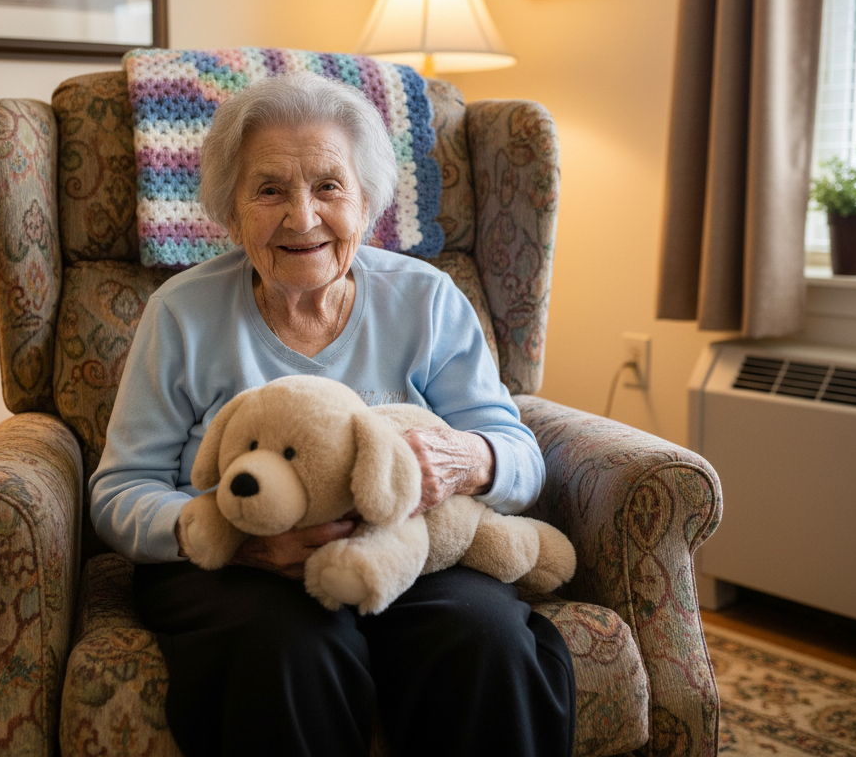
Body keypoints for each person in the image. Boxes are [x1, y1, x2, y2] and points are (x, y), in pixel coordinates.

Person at [89, 73, 575, 757]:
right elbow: (118, 493)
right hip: (242, 573)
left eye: (327, 186)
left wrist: (467, 460)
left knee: (485, 635)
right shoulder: (181, 313)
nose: (302, 217)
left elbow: (519, 457)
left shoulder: (425, 300)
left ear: (368, 203)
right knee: (286, 647)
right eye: (269, 189)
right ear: (230, 210)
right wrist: (238, 538)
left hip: (406, 556)